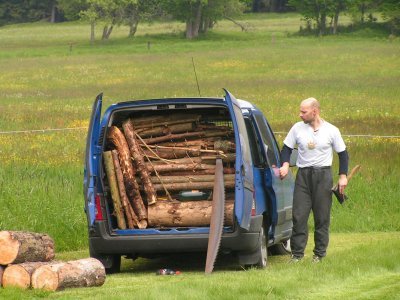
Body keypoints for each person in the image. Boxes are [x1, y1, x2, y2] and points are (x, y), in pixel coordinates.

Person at [279, 97, 349, 263]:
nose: (300, 115)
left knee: (321, 217)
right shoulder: (297, 128)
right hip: (303, 176)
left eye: (303, 112)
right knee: (299, 216)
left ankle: (319, 254)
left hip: (323, 176)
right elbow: (286, 149)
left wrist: (342, 177)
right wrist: (285, 164)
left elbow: (343, 154)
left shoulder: (332, 130)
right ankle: (297, 255)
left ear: (314, 111)